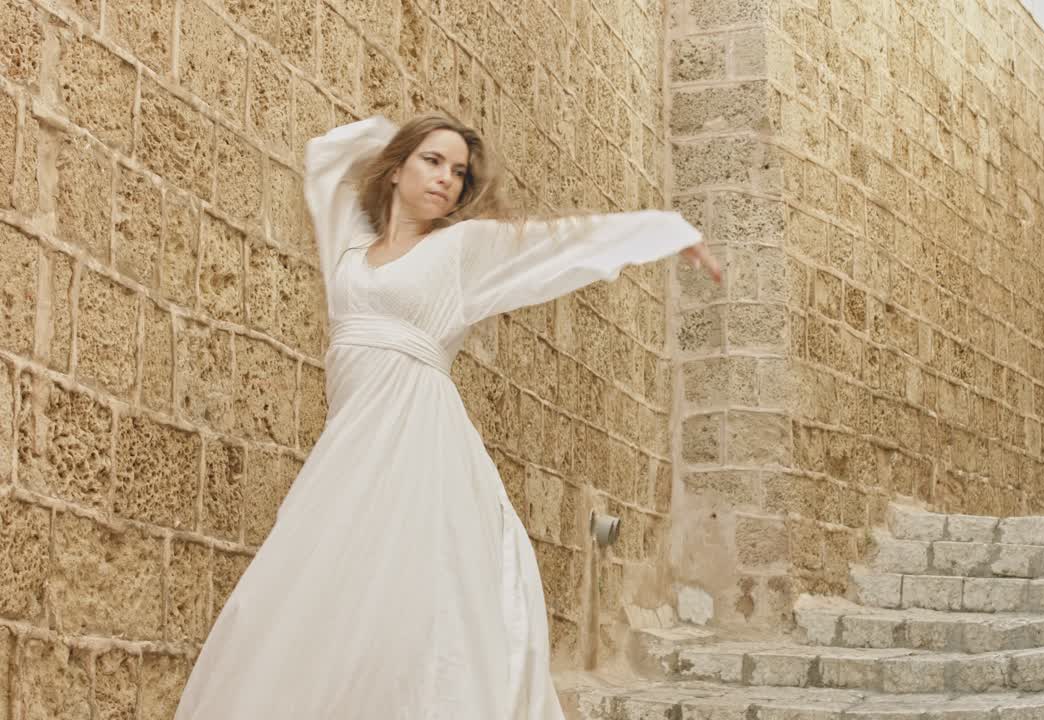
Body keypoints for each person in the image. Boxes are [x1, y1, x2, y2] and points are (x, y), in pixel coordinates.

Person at [172, 113, 721, 718]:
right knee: (315, 597)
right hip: (349, 449)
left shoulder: (458, 251)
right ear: (397, 167)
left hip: (421, 445)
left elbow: (558, 244)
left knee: (420, 604)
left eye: (458, 172)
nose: (446, 180)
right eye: (431, 161)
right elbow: (327, 157)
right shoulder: (349, 249)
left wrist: (662, 232)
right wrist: (392, 140)